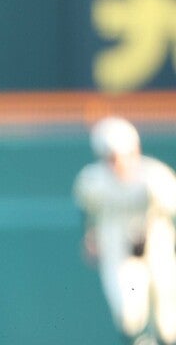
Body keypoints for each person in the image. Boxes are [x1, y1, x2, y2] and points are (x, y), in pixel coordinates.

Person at [73, 116, 176, 345]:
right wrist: (91, 237)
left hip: (158, 246)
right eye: (111, 157)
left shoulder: (155, 177)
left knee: (166, 322)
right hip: (117, 248)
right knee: (129, 314)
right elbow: (87, 212)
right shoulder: (93, 182)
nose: (118, 163)